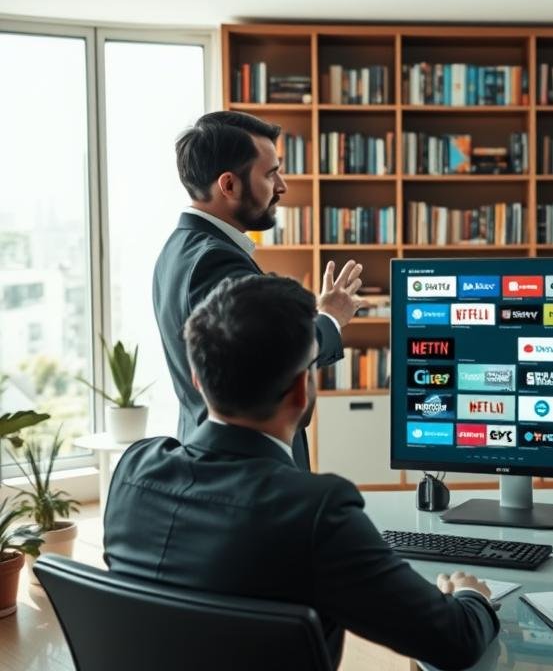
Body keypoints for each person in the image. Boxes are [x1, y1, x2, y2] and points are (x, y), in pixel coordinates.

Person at [105, 274, 499, 669]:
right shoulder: (315, 512)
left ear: (197, 381)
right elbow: (455, 642)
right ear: (301, 389)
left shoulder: (133, 471)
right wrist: (471, 596)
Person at [154, 111, 364, 471]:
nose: (282, 186)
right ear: (229, 185)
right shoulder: (216, 261)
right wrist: (330, 317)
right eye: (270, 174)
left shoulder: (179, 246)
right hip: (243, 468)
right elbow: (270, 359)